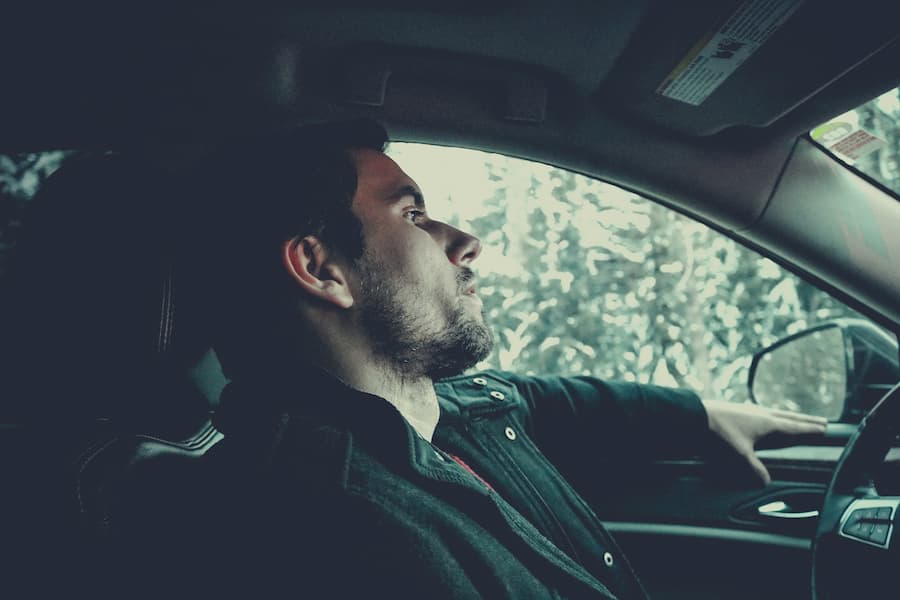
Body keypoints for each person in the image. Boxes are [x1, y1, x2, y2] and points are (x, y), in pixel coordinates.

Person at [168, 119, 826, 599]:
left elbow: (544, 400)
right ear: (320, 268)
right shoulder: (353, 533)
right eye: (413, 215)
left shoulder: (439, 413)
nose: (467, 243)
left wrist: (699, 414)